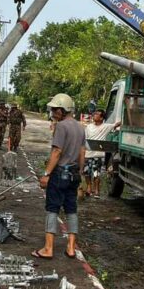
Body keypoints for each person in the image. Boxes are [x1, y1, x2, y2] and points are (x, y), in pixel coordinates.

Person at [33, 93, 85, 260]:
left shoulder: (61, 126)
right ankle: (71, 248)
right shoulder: (79, 127)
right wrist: (80, 172)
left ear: (64, 109)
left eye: (55, 109)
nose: (53, 112)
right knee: (71, 210)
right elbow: (82, 152)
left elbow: (57, 152)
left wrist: (46, 174)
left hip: (60, 174)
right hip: (74, 174)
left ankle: (48, 248)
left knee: (52, 209)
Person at [83, 110, 121, 198]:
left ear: (101, 118)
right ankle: (89, 187)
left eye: (97, 114)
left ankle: (96, 190)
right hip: (88, 154)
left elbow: (116, 124)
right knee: (86, 173)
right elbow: (84, 139)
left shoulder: (106, 127)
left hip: (98, 155)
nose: (94, 115)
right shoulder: (88, 127)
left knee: (97, 173)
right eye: (94, 114)